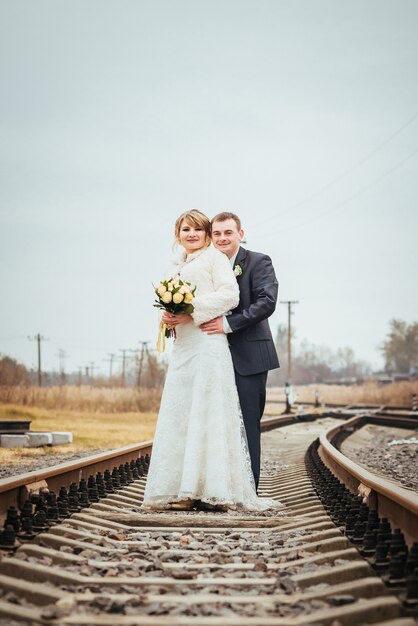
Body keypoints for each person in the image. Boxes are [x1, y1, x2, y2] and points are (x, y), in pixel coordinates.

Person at [142, 209, 278, 512]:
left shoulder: (228, 259)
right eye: (185, 229)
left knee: (227, 420)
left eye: (198, 230)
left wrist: (190, 310)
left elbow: (243, 298)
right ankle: (186, 488)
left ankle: (230, 490)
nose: (193, 234)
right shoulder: (177, 264)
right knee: (184, 415)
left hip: (228, 347)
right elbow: (177, 304)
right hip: (188, 347)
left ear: (239, 234)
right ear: (177, 234)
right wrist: (169, 317)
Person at [200, 212, 279, 490]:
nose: (222, 238)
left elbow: (267, 302)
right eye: (217, 233)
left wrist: (228, 324)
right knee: (213, 424)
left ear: (240, 234)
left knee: (248, 425)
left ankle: (248, 490)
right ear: (212, 236)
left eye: (228, 233)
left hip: (251, 357)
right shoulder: (205, 264)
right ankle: (218, 487)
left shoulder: (258, 261)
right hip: (212, 356)